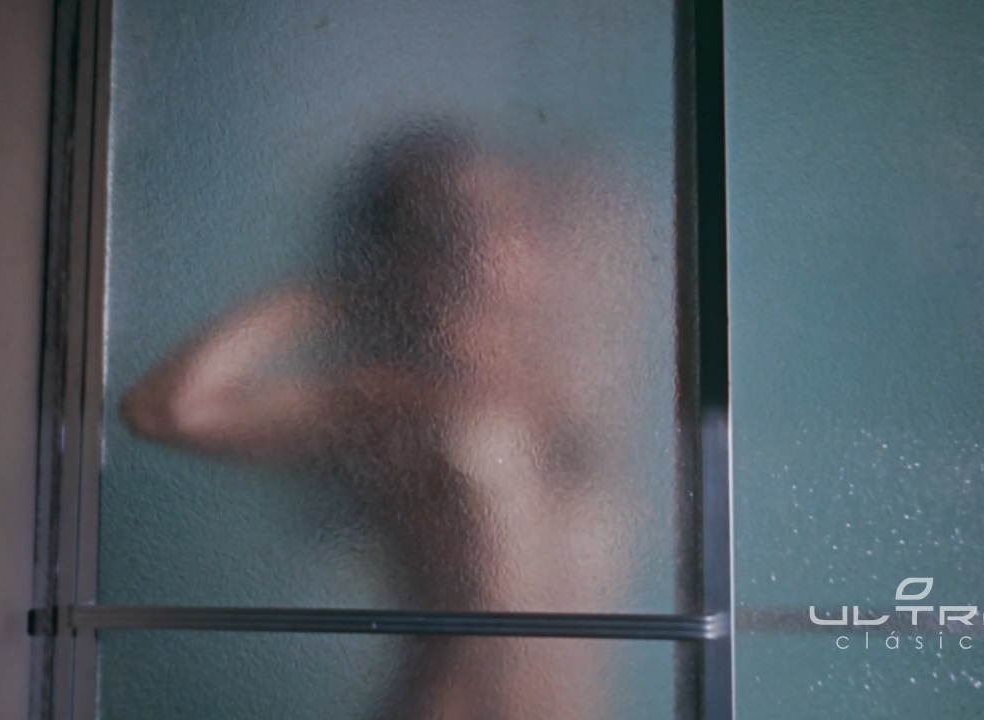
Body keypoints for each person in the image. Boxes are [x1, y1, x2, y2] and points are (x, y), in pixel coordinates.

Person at [120, 121, 651, 718]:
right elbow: (164, 409)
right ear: (414, 258)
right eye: (459, 226)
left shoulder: (568, 387)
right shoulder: (389, 404)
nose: (501, 240)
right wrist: (333, 293)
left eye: (513, 212)